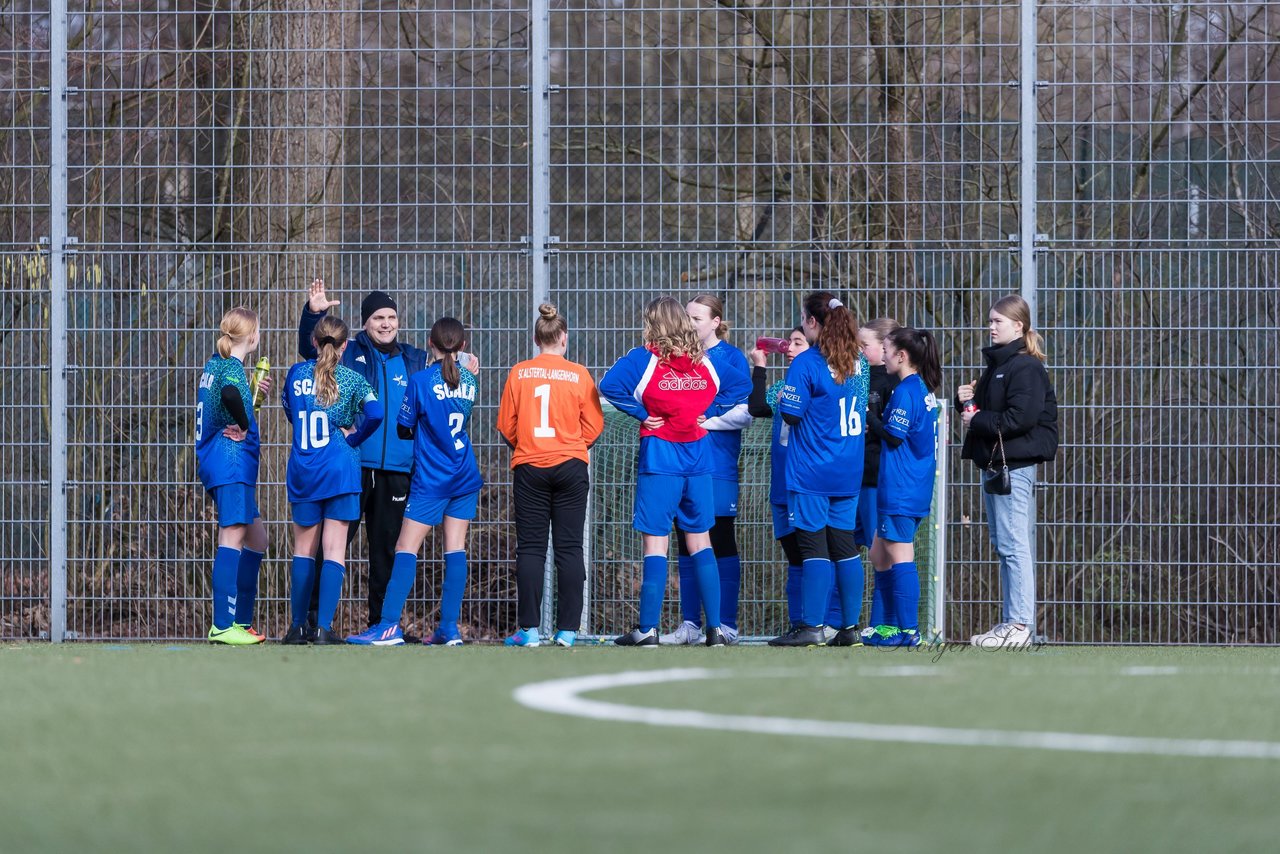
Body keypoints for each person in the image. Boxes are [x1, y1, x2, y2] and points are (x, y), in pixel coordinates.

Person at [299, 279, 478, 639]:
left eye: (391, 317)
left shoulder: (412, 358)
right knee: (333, 545)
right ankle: (315, 623)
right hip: (351, 466)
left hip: (397, 471)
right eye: (378, 317)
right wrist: (313, 314)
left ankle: (383, 626)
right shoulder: (349, 353)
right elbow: (311, 351)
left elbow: (445, 373)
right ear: (365, 322)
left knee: (387, 552)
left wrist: (467, 367)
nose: (386, 323)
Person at [599, 296, 727, 647]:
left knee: (656, 544)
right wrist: (710, 410)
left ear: (653, 323)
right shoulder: (704, 361)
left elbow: (608, 385)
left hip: (661, 459)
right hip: (699, 459)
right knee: (701, 542)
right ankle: (715, 629)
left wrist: (642, 414)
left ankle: (648, 630)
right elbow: (730, 388)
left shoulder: (645, 357)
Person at [347, 317, 482, 646]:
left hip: (432, 478)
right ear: (463, 347)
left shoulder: (419, 380)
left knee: (405, 547)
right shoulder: (470, 380)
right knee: (455, 549)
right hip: (464, 473)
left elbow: (403, 426)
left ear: (429, 345)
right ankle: (449, 629)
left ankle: (388, 625)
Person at [497, 304, 604, 649]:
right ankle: (568, 631)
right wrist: (572, 445)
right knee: (570, 548)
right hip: (571, 465)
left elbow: (505, 425)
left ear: (536, 338)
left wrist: (528, 444)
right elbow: (594, 425)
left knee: (531, 548)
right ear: (563, 338)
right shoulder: (579, 374)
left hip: (530, 465)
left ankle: (528, 631)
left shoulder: (519, 372)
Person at [956, 295, 1058, 649]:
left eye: (998, 321)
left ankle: (1019, 625)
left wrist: (977, 418)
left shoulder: (1026, 367)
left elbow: (1020, 418)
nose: (991, 326)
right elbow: (987, 413)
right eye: (990, 320)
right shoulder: (999, 367)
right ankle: (1011, 622)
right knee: (1005, 545)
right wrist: (966, 403)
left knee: (1014, 545)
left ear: (1019, 326)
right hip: (997, 466)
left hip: (1014, 467)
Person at [767, 292, 869, 648]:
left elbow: (792, 414)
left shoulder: (807, 362)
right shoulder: (858, 362)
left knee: (813, 549)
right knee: (845, 547)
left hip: (812, 471)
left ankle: (811, 626)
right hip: (848, 470)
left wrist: (783, 398)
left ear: (812, 322)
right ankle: (850, 628)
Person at [280, 316, 384, 645]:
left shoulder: (296, 374)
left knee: (303, 551)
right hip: (340, 469)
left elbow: (290, 410)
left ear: (313, 342)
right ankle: (323, 628)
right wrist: (354, 438)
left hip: (304, 469)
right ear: (343, 347)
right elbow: (377, 413)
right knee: (334, 551)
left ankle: (298, 627)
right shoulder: (352, 378)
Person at [662, 294, 752, 646]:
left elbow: (746, 412)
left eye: (697, 318)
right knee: (685, 542)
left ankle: (725, 624)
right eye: (687, 317)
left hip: (717, 465)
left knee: (721, 542)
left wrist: (706, 422)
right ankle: (690, 624)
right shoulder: (676, 357)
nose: (689, 323)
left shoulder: (731, 359)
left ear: (716, 322)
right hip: (680, 461)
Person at [195, 306, 270, 645]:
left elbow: (229, 397)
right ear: (252, 336)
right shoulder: (230, 367)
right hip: (230, 462)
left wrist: (254, 396)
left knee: (257, 540)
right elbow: (228, 395)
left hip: (222, 462)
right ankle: (223, 624)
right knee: (232, 539)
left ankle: (240, 620)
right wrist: (242, 423)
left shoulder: (217, 363)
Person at [863, 326, 942, 648]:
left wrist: (868, 415)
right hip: (905, 485)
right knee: (879, 554)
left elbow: (894, 436)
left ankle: (909, 631)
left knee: (899, 554)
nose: (881, 355)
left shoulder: (907, 391)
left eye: (886, 350)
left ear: (902, 355)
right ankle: (884, 627)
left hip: (902, 487)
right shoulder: (917, 388)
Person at [746, 325, 809, 631]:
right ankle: (798, 623)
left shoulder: (821, 383)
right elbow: (756, 407)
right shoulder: (783, 386)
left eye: (799, 343)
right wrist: (760, 366)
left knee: (814, 555)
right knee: (794, 558)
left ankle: (822, 622)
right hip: (781, 486)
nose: (790, 348)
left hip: (807, 485)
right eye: (790, 342)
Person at [854, 318, 903, 644]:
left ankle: (884, 621)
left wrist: (871, 422)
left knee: (879, 552)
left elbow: (891, 431)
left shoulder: (892, 382)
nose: (858, 351)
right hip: (849, 477)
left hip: (874, 477)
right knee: (842, 547)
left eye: (865, 345)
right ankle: (836, 622)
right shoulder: (855, 376)